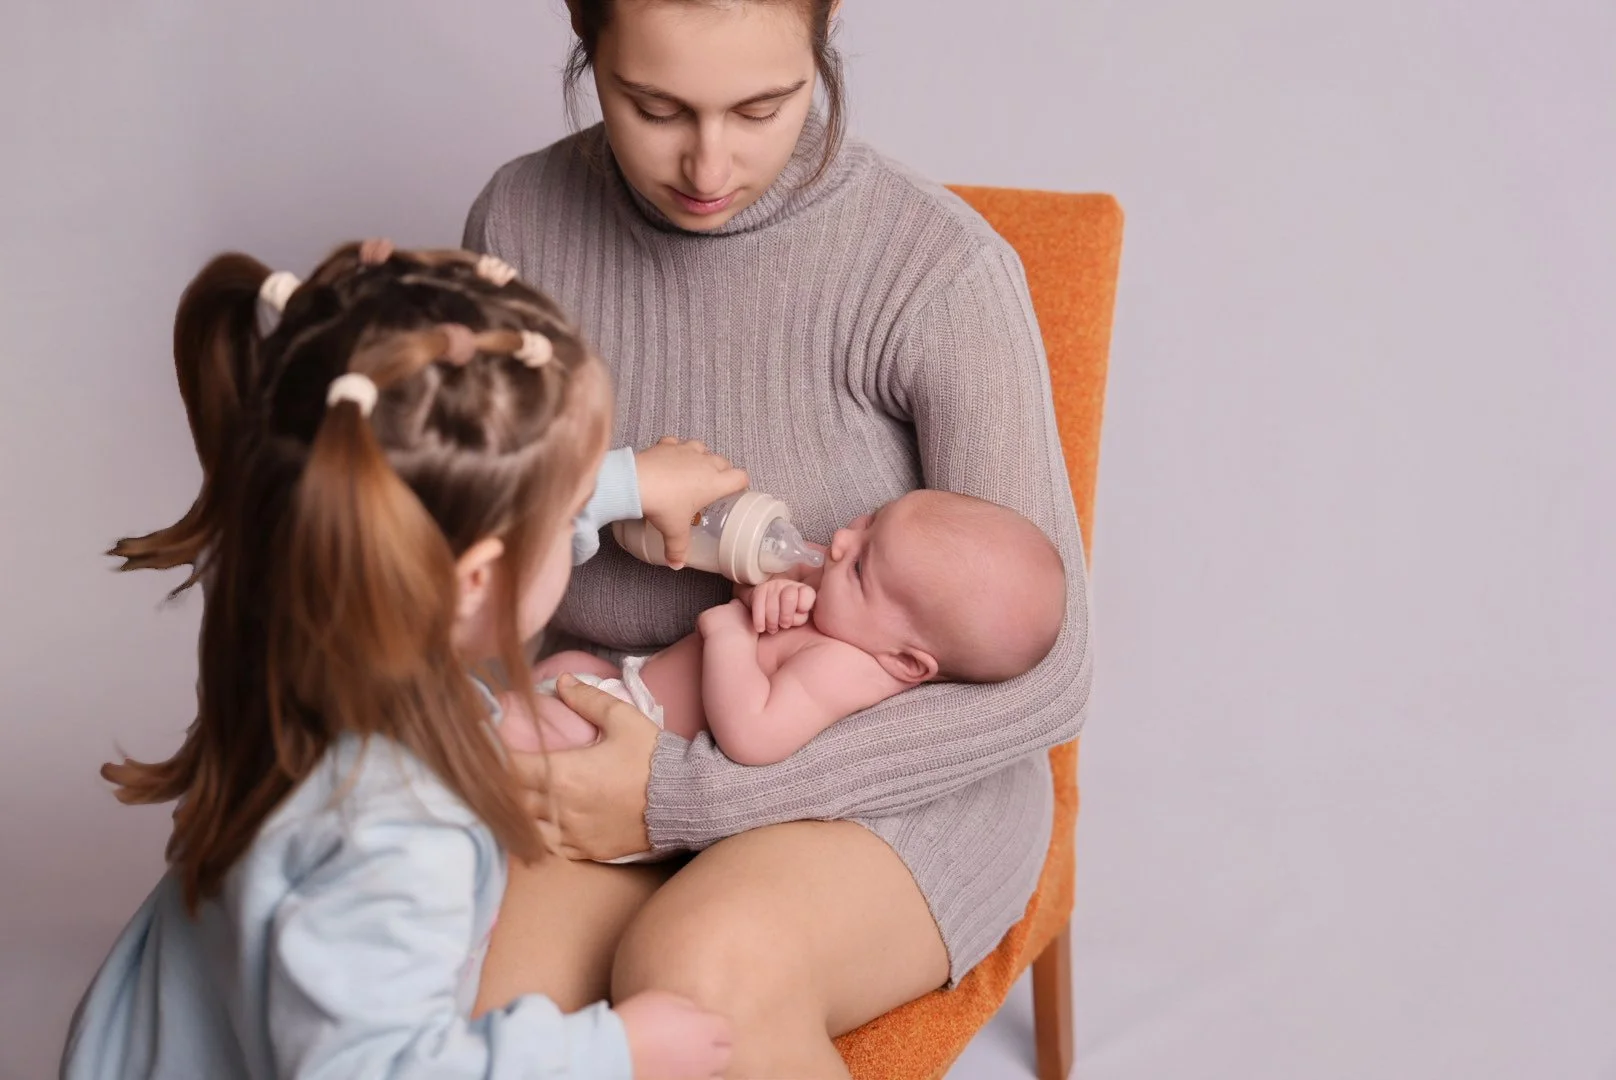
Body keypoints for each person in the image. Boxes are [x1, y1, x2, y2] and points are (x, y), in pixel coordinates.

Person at [463, 1, 1093, 1075]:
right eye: (651, 105)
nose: (706, 163)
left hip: (886, 792)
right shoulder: (520, 224)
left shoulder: (932, 269)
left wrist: (691, 800)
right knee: (464, 1026)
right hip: (614, 722)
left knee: (697, 975)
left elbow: (1054, 674)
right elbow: (471, 531)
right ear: (584, 35)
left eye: (762, 106)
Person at [60, 241, 733, 1079]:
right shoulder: (400, 832)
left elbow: (432, 508)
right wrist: (610, 1051)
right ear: (474, 576)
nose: (573, 523)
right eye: (568, 509)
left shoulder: (291, 617)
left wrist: (626, 483)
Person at [505, 490, 1067, 773]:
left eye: (861, 567)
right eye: (870, 521)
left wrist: (731, 635)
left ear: (907, 662)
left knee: (508, 729)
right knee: (556, 670)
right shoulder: (843, 610)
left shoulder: (845, 669)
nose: (843, 541)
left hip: (637, 744)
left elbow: (752, 734)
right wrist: (759, 596)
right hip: (628, 686)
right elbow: (755, 586)